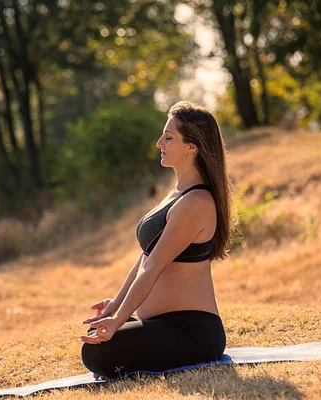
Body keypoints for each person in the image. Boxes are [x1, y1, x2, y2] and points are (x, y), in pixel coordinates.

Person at [80, 100, 232, 379]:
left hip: (192, 331)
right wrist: (115, 306)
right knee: (96, 336)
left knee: (97, 353)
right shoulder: (177, 194)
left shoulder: (196, 201)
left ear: (192, 146)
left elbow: (153, 268)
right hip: (163, 324)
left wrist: (120, 319)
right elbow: (145, 257)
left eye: (169, 137)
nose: (159, 142)